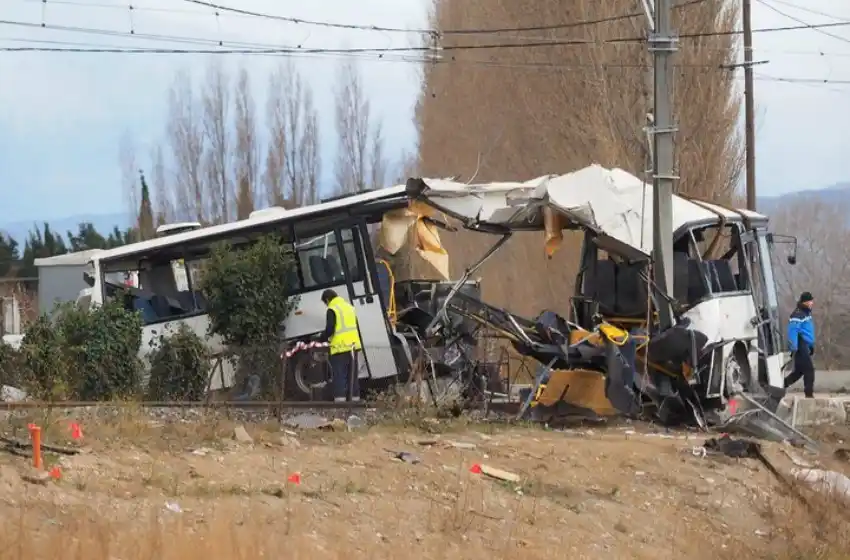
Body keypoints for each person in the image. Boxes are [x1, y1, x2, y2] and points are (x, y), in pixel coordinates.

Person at [315, 289, 363, 402]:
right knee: (353, 376)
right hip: (353, 347)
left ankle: (340, 405)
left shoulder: (332, 309)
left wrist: (321, 338)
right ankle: (355, 403)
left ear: (327, 299)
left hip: (339, 348)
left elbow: (330, 329)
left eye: (325, 303)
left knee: (339, 376)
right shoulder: (349, 307)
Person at [784, 291, 816, 398]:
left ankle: (781, 385)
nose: (812, 303)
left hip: (805, 345)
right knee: (809, 370)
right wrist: (794, 347)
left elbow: (807, 331)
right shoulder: (797, 314)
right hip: (799, 345)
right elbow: (792, 331)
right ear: (805, 302)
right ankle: (809, 395)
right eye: (810, 301)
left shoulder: (806, 313)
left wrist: (810, 346)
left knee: (799, 372)